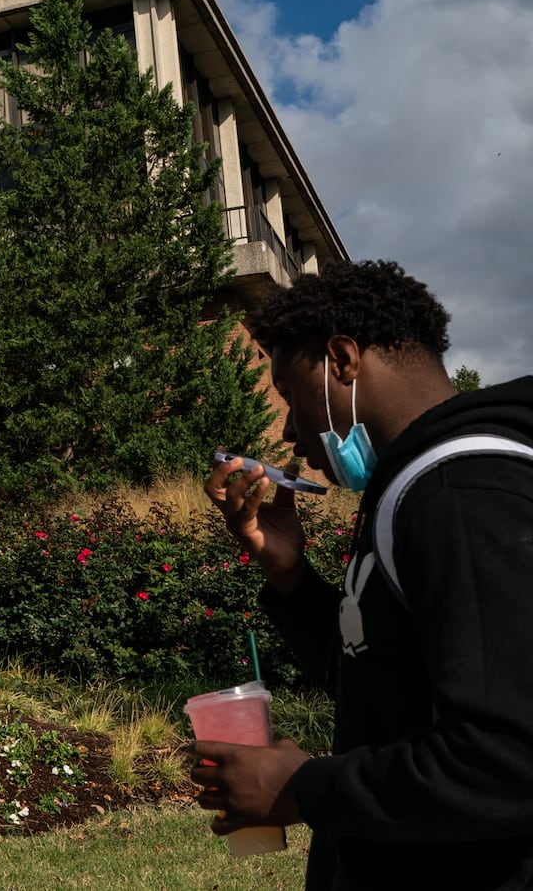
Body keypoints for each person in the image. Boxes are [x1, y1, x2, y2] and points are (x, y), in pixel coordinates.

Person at [193, 260, 533, 889]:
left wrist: (305, 788)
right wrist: (291, 575)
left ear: (343, 360)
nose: (291, 428)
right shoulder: (407, 492)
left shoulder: (458, 495)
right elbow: (381, 680)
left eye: (292, 394)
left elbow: (508, 758)